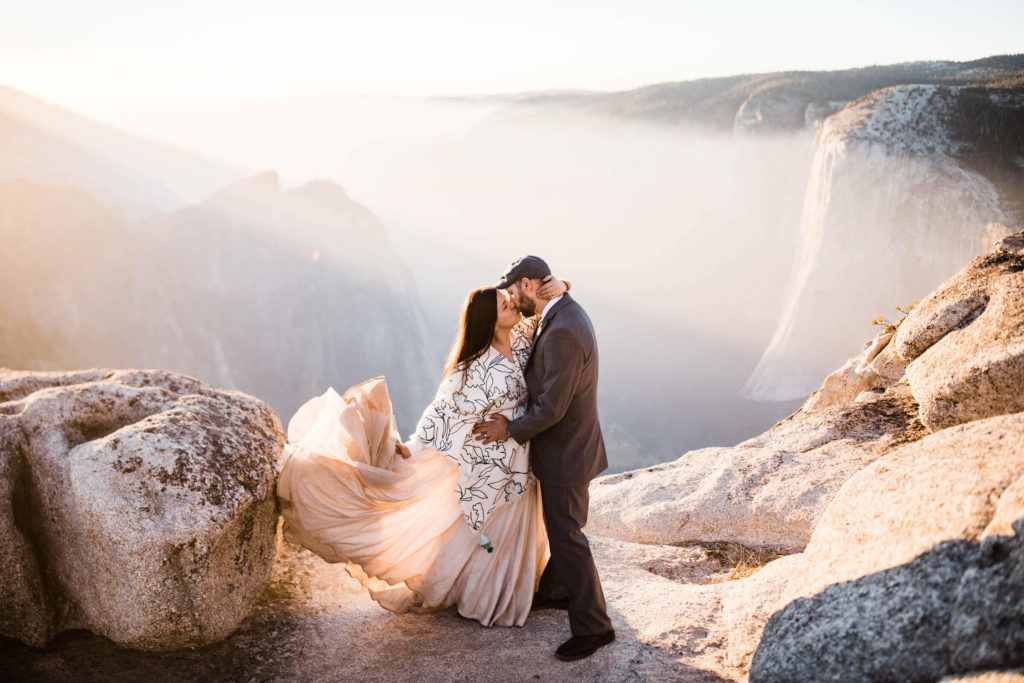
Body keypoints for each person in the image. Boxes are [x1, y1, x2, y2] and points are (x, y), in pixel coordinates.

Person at [276, 276, 566, 628]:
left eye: (509, 299)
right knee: (487, 534)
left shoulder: (523, 338)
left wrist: (561, 286)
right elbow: (441, 416)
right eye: (504, 304)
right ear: (488, 321)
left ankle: (509, 589)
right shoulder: (469, 369)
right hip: (486, 465)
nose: (511, 303)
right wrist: (411, 449)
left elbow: (548, 309)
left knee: (506, 533)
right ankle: (486, 597)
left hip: (519, 460)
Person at [473, 255, 614, 662]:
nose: (513, 302)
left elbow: (552, 407)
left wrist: (509, 429)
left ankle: (595, 627)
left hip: (566, 453)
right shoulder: (562, 312)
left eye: (515, 292)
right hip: (574, 447)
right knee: (562, 529)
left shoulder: (564, 331)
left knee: (568, 537)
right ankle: (556, 590)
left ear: (531, 285)